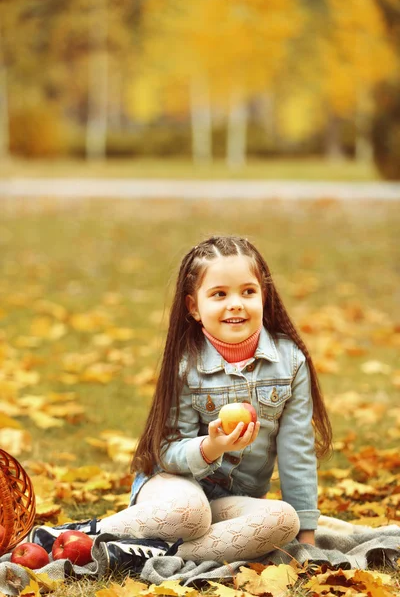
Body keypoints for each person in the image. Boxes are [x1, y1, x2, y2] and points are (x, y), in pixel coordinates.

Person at [30, 235, 332, 572]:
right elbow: (167, 451)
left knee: (282, 520)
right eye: (219, 294)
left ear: (264, 295)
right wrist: (211, 446)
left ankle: (134, 554)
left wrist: (306, 541)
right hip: (173, 490)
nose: (235, 303)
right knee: (192, 514)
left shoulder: (290, 364)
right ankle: (74, 535)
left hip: (228, 503)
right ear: (193, 307)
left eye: (248, 291)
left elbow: (297, 453)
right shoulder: (186, 365)